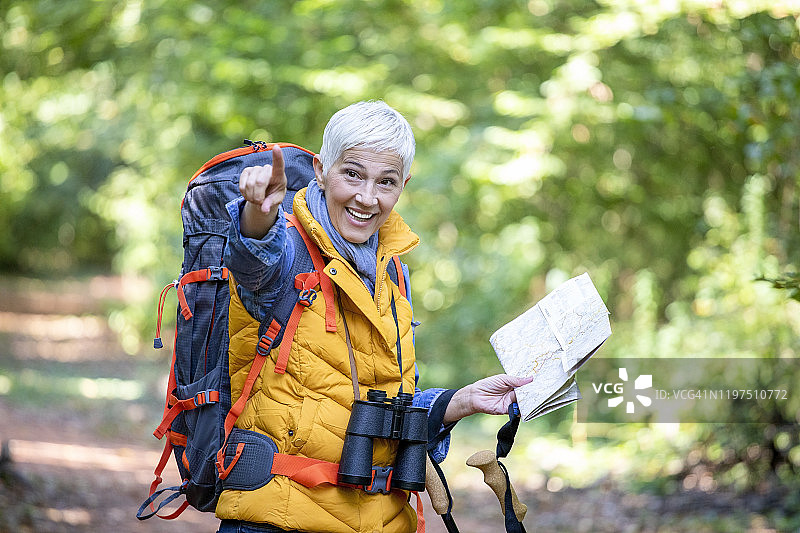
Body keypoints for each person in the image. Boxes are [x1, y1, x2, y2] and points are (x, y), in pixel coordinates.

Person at [218, 101, 531, 533]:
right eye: (353, 174)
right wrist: (258, 213)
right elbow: (253, 260)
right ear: (321, 169)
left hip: (383, 520)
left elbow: (384, 404)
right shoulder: (286, 249)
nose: (368, 198)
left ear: (403, 185)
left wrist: (463, 401)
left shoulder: (393, 272)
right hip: (280, 518)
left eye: (386, 182)